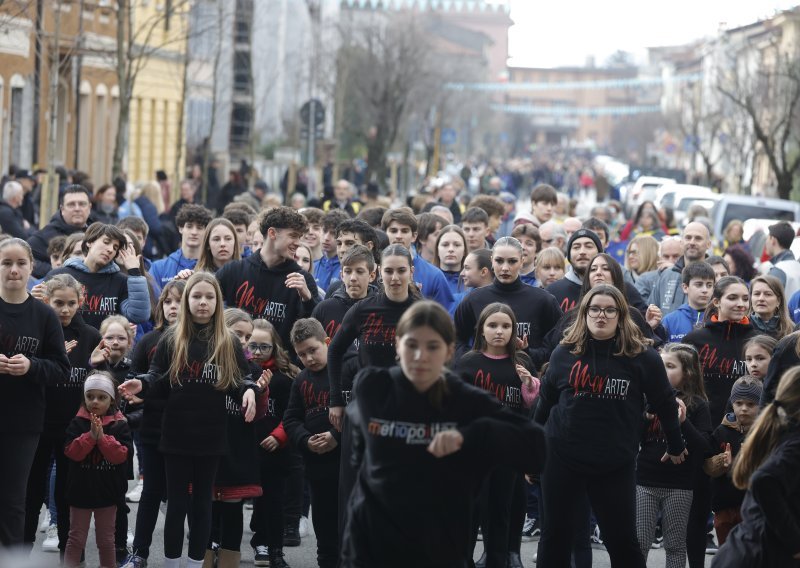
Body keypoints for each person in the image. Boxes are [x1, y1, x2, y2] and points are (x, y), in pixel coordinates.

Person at [341, 301, 546, 568]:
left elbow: (536, 447)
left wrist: (469, 437)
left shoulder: (462, 399)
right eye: (412, 345)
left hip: (438, 548)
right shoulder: (372, 387)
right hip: (370, 546)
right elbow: (358, 463)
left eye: (433, 346)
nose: (420, 356)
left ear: (449, 351)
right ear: (398, 344)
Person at [534, 285, 685, 567]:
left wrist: (676, 444)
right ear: (584, 313)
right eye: (594, 309)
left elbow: (664, 402)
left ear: (621, 315)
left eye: (609, 310)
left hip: (615, 460)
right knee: (555, 536)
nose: (601, 315)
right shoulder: (564, 353)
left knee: (621, 540)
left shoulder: (642, 357)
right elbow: (544, 403)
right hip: (562, 455)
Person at [118, 272, 258, 568]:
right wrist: (141, 383)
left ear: (218, 302)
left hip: (211, 434)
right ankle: (171, 563)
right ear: (187, 302)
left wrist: (249, 392)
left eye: (209, 297)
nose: (203, 302)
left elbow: (240, 380)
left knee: (202, 504)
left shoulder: (227, 340)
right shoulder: (173, 337)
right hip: (176, 432)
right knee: (177, 504)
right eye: (196, 297)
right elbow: (158, 378)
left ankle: (195, 563)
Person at [455, 303, 540, 568]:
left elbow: (532, 404)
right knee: (470, 511)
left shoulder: (521, 362)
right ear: (481, 329)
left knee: (501, 509)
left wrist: (529, 385)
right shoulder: (468, 362)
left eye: (506, 326)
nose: (499, 331)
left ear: (514, 330)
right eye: (492, 325)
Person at [23, 274, 101, 556]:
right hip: (40, 422)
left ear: (80, 301)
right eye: (58, 303)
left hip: (74, 425)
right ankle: (20, 552)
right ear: (47, 301)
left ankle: (73, 555)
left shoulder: (91, 336)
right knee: (31, 493)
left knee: (69, 494)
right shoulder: (39, 331)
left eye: (71, 303)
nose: (65, 310)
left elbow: (99, 380)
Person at [121, 281, 185, 568]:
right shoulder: (148, 341)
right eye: (168, 301)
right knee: (151, 493)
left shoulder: (199, 340)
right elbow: (134, 379)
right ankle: (140, 552)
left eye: (179, 301)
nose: (173, 306)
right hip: (153, 429)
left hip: (187, 430)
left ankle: (195, 551)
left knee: (186, 494)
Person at [326, 244, 421, 430]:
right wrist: (335, 400)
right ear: (378, 272)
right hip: (366, 405)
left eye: (401, 270)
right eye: (388, 271)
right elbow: (335, 351)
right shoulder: (362, 310)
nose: (394, 278)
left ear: (411, 271)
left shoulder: (423, 312)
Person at [713, 367, 800, 567]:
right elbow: (764, 480)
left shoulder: (782, 432)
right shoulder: (793, 442)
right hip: (757, 554)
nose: (744, 408)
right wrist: (795, 542)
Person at [636, 343, 712, 568]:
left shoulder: (698, 405)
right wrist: (647, 415)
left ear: (687, 373)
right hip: (645, 481)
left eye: (669, 366)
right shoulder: (645, 399)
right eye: (659, 366)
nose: (661, 371)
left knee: (675, 545)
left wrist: (683, 422)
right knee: (639, 541)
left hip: (680, 485)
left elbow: (705, 447)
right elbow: (632, 438)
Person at [216, 206, 320, 354]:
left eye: (299, 237)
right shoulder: (234, 271)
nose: (298, 243)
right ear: (272, 233)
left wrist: (307, 299)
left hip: (279, 371)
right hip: (235, 365)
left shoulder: (302, 280)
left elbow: (314, 332)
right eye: (293, 235)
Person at [454, 237, 562, 369]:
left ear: (522, 261)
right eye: (499, 261)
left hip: (527, 381)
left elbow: (558, 344)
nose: (505, 268)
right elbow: (455, 338)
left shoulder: (544, 300)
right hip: (482, 380)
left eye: (512, 261)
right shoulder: (474, 299)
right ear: (491, 261)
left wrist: (527, 354)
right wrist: (471, 362)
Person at [285, 319, 340, 568]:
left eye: (313, 350)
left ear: (327, 342)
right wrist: (306, 440)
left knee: (350, 530)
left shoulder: (345, 371)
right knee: (325, 532)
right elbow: (291, 419)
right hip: (318, 469)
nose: (309, 358)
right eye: (302, 354)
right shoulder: (301, 380)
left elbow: (361, 410)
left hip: (347, 466)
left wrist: (336, 436)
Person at [63, 372, 132, 568]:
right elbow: (71, 452)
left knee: (106, 541)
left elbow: (121, 456)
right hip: (80, 493)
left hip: (108, 495)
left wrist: (101, 438)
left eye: (101, 397)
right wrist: (90, 436)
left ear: (111, 400)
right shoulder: (77, 423)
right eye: (90, 396)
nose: (95, 401)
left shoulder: (120, 425)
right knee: (75, 539)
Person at [247, 317, 298, 568]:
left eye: (264, 347)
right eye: (252, 345)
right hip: (244, 447)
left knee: (272, 501)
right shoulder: (241, 371)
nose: (257, 352)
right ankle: (223, 545)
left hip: (274, 448)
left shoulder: (284, 377)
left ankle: (274, 549)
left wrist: (280, 436)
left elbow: (292, 413)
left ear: (274, 347)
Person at [43, 223, 151, 330]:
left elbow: (139, 316)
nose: (110, 249)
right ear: (90, 242)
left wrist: (135, 273)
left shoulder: (120, 281)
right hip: (66, 344)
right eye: (106, 242)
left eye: (115, 247)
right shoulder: (59, 275)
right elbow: (44, 314)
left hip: (107, 345)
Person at [703, 377, 762, 547]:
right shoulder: (722, 431)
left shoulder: (763, 432)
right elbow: (707, 465)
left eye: (751, 404)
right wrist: (721, 463)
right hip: (724, 506)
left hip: (753, 507)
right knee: (727, 554)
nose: (743, 408)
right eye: (739, 403)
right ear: (732, 403)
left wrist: (749, 460)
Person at [382, 208, 455, 310]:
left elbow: (445, 316)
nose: (398, 236)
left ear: (414, 236)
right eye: (393, 231)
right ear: (385, 234)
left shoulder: (434, 275)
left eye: (404, 231)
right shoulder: (371, 271)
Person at [312, 245, 377, 340]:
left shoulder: (381, 309)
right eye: (348, 271)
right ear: (341, 275)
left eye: (359, 271)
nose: (353, 278)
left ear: (371, 276)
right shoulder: (324, 310)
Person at [29, 184, 93, 278]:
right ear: (62, 209)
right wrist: (57, 271)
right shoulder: (45, 235)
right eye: (71, 204)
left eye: (82, 204)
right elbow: (26, 259)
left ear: (89, 208)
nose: (77, 208)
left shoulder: (97, 233)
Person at [651, 222, 712, 316]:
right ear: (681, 243)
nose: (692, 242)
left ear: (708, 244)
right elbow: (651, 312)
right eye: (688, 238)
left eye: (698, 238)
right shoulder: (666, 275)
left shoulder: (715, 276)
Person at [150, 204, 212, 291]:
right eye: (189, 226)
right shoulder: (158, 268)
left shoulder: (213, 267)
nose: (194, 232)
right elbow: (152, 302)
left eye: (199, 227)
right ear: (180, 228)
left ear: (206, 231)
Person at [546, 228, 603, 312]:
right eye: (576, 247)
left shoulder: (620, 288)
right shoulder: (552, 292)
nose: (582, 252)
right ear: (569, 255)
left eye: (589, 246)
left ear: (600, 253)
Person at [661, 262, 716, 342]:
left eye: (709, 285)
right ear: (685, 287)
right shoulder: (670, 320)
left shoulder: (719, 318)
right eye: (699, 285)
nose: (705, 290)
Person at [749, 275, 794, 339]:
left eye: (768, 294)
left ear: (778, 301)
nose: (761, 298)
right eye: (757, 294)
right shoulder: (742, 327)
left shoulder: (791, 330)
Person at [315, 210, 349, 291]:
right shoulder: (314, 265)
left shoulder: (347, 267)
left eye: (333, 233)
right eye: (324, 231)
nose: (326, 238)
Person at [764, 220, 800, 297]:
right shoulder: (797, 265)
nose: (765, 242)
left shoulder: (777, 270)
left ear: (773, 240)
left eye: (767, 238)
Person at [434, 225, 467, 297]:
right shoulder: (429, 280)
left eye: (457, 245)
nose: (451, 249)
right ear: (437, 250)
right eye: (445, 245)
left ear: (464, 250)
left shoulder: (472, 282)